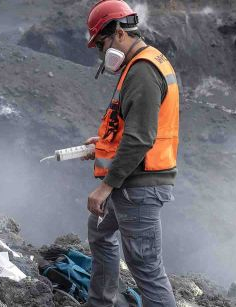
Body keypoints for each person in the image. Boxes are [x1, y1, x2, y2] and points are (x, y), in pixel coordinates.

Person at [82, 1, 180, 306]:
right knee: (99, 230)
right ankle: (101, 302)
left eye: (101, 43)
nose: (101, 52)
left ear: (119, 33)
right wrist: (102, 143)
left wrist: (104, 187)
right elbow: (130, 128)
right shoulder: (140, 64)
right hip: (131, 181)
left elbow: (140, 139)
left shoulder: (142, 71)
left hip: (140, 186)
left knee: (146, 268)